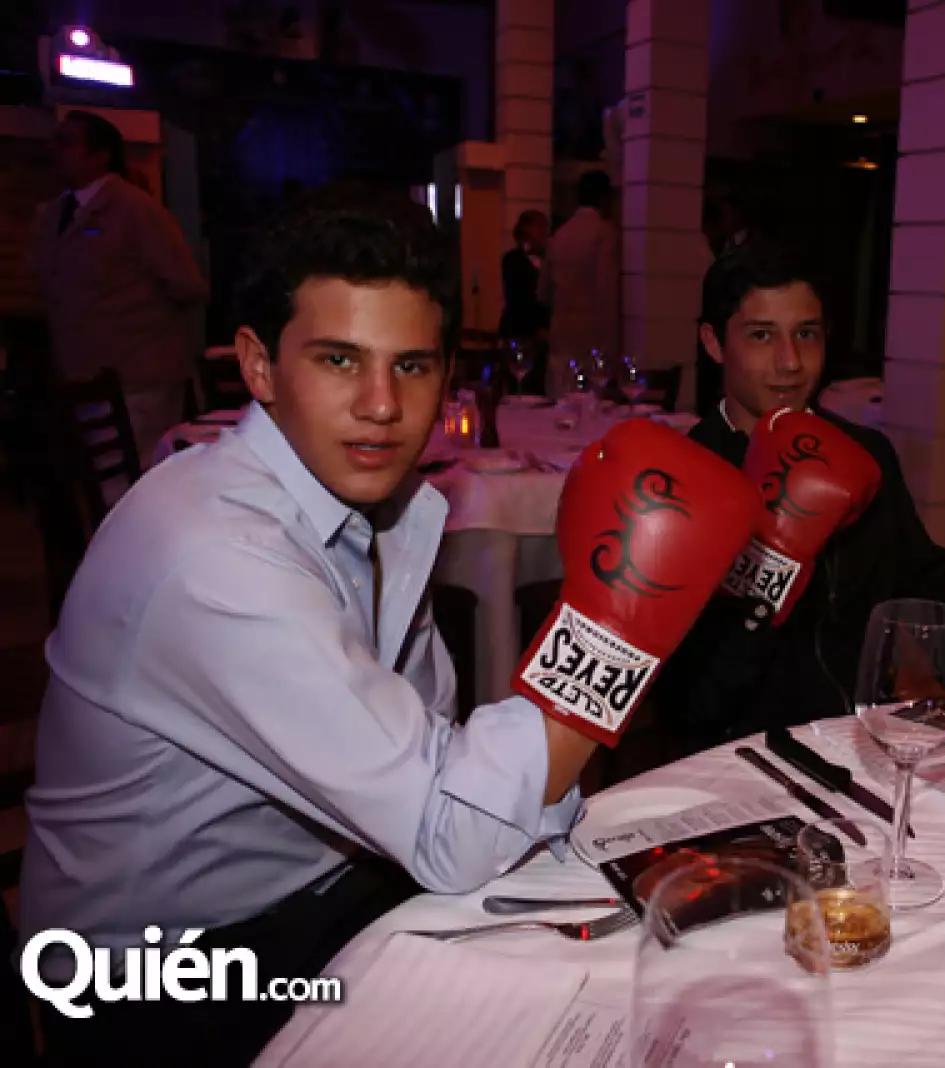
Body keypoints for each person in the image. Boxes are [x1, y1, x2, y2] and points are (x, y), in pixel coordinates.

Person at [16, 189, 743, 1065]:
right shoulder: (216, 554)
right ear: (258, 366)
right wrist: (614, 630)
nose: (381, 404)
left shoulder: (377, 509)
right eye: (338, 360)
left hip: (324, 886)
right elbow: (450, 830)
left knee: (642, 982)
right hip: (159, 976)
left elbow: (437, 759)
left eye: (412, 366)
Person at [653, 240, 945, 756]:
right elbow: (687, 706)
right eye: (762, 335)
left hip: (862, 740)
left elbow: (924, 578)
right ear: (713, 342)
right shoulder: (682, 481)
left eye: (806, 334)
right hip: (739, 754)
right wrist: (770, 572)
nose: (790, 362)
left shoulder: (864, 453)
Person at [31, 110, 209, 465]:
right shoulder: (54, 214)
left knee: (134, 479)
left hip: (138, 377)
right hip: (81, 375)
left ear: (100, 155)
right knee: (102, 478)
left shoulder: (134, 209)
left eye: (66, 143)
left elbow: (187, 284)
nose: (54, 150)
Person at [538, 169, 620, 370]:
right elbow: (607, 291)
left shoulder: (560, 234)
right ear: (604, 198)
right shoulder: (604, 232)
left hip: (560, 335)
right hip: (591, 337)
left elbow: (542, 292)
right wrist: (611, 347)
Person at [499, 208, 549, 339]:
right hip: (520, 330)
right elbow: (519, 298)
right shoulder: (513, 260)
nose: (545, 232)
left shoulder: (548, 260)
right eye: (540, 227)